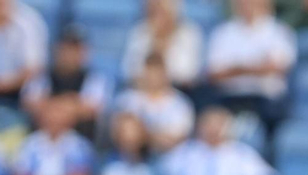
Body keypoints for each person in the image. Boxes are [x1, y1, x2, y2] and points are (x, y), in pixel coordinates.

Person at [206, 0, 298, 138]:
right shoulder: (223, 32)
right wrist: (257, 66)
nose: (248, 5)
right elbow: (215, 74)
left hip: (266, 99)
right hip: (229, 97)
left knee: (274, 119)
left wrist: (235, 68)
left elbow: (278, 68)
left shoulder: (279, 32)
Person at [21, 25, 112, 141]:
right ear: (57, 50)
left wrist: (54, 106)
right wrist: (71, 103)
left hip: (81, 139)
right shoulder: (42, 75)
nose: (70, 54)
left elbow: (92, 108)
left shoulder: (95, 77)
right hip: (42, 139)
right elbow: (30, 102)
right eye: (67, 48)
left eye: (76, 49)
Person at [114, 52, 197, 155]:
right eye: (149, 72)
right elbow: (120, 134)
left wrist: (143, 134)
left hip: (169, 161)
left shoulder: (180, 103)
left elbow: (175, 141)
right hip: (131, 159)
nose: (153, 78)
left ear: (165, 73)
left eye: (156, 73)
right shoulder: (128, 99)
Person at [122, 0, 204, 91]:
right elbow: (129, 71)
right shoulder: (139, 31)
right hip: (142, 90)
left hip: (179, 90)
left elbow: (188, 73)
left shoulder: (189, 33)